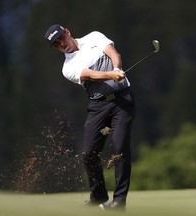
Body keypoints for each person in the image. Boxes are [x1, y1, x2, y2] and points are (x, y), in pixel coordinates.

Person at [44, 24, 136, 211]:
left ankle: (119, 203)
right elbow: (90, 75)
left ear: (67, 32)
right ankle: (99, 195)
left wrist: (117, 68)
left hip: (122, 101)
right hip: (98, 106)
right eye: (56, 44)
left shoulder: (94, 37)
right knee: (88, 154)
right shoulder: (67, 67)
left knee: (120, 151)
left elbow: (113, 53)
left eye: (61, 38)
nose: (61, 43)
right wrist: (111, 74)